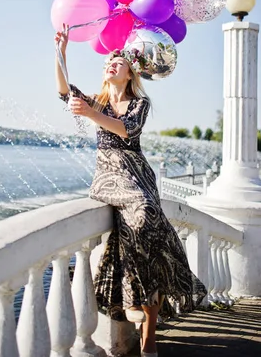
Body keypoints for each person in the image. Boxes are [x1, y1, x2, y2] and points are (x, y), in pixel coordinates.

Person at [55, 24, 206, 357]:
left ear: (129, 73)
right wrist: (61, 52)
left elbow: (127, 130)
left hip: (137, 175)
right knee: (145, 219)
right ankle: (138, 306)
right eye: (108, 61)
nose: (111, 63)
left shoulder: (140, 103)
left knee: (151, 224)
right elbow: (65, 92)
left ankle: (148, 332)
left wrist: (92, 114)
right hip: (109, 177)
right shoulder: (98, 102)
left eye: (117, 62)